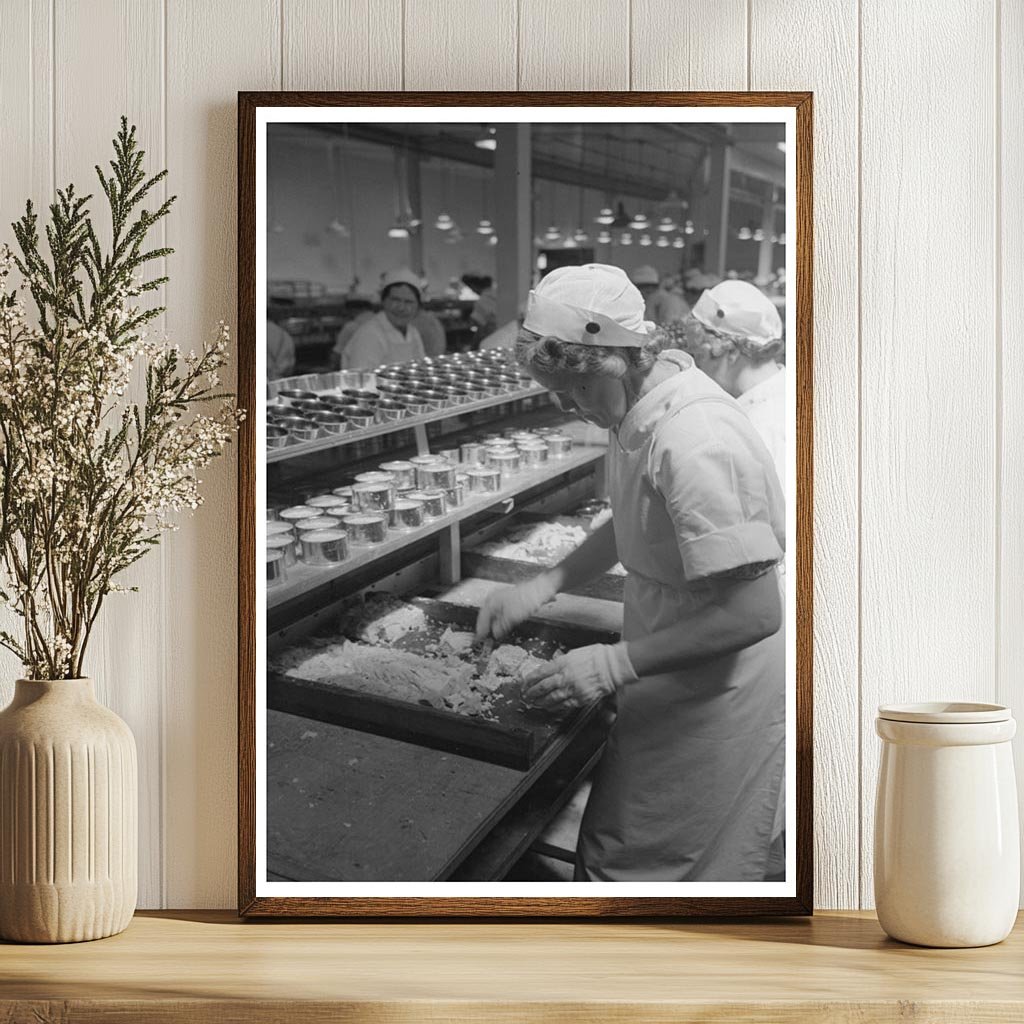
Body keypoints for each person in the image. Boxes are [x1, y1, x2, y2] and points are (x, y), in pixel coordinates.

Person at [475, 263, 786, 882]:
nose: (568, 405)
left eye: (575, 391)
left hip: (712, 685)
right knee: (626, 846)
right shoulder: (635, 412)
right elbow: (634, 517)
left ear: (613, 363)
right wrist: (547, 582)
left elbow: (755, 611)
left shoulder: (696, 437)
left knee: (658, 865)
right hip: (666, 658)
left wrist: (612, 664)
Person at [673, 280, 785, 491]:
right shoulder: (782, 391)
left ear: (732, 352)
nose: (697, 368)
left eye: (700, 356)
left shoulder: (763, 427)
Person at [339, 268, 426, 370]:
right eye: (395, 300)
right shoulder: (370, 335)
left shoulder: (413, 333)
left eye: (408, 302)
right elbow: (362, 381)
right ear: (383, 301)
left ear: (418, 307)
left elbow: (421, 371)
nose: (401, 308)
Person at [329, 299, 375, 370]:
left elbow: (337, 354)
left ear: (352, 310)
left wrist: (330, 370)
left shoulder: (351, 326)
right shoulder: (386, 323)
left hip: (358, 370)